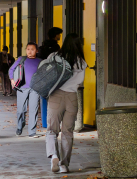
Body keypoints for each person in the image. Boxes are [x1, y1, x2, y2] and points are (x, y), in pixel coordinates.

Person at [46, 33, 87, 174]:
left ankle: (54, 156)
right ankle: (64, 165)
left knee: (52, 130)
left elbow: (45, 71)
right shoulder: (81, 61)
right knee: (67, 132)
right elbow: (80, 81)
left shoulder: (54, 56)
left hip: (56, 96)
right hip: (72, 97)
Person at [9, 42, 42, 138]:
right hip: (22, 88)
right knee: (21, 110)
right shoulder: (21, 59)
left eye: (32, 49)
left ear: (37, 51)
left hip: (35, 89)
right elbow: (11, 69)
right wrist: (12, 80)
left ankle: (32, 131)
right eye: (28, 49)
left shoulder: (40, 61)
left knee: (33, 109)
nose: (30, 51)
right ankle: (20, 126)